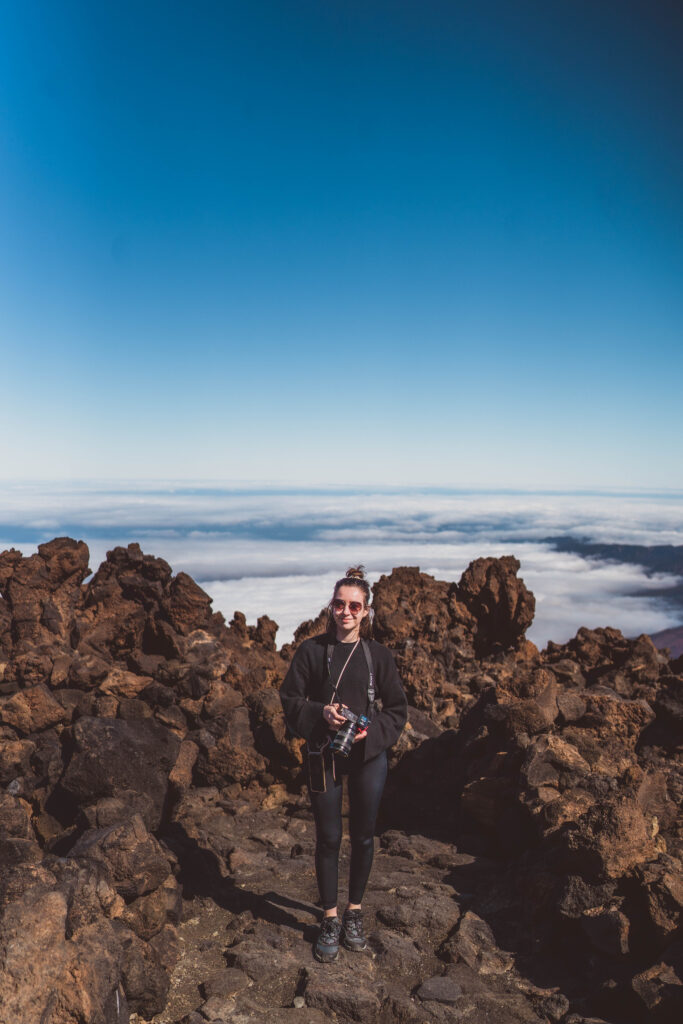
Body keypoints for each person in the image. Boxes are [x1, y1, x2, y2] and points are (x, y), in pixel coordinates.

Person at [279, 566, 407, 963]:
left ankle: (355, 911)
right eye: (339, 604)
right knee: (329, 837)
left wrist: (372, 733)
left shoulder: (378, 656)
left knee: (364, 836)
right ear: (331, 607)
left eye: (354, 606)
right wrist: (322, 714)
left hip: (368, 757)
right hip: (324, 756)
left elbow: (398, 709)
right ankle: (330, 917)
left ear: (366, 611)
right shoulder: (311, 652)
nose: (346, 612)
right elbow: (289, 701)